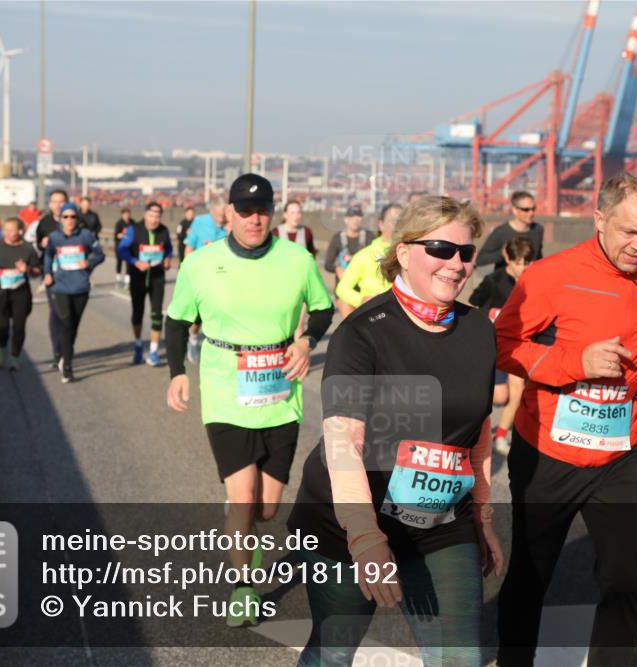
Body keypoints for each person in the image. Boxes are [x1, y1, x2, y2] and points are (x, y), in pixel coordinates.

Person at [288, 195, 503, 666]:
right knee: (332, 653)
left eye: (466, 253)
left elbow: (479, 431)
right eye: (442, 249)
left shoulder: (479, 331)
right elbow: (344, 443)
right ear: (404, 251)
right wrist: (365, 538)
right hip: (346, 526)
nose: (457, 264)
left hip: (440, 524)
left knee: (460, 659)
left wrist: (482, 517)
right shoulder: (363, 332)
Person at [493, 173, 637, 667]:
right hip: (548, 454)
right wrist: (575, 361)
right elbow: (504, 345)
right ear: (599, 220)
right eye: (629, 232)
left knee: (625, 578)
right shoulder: (551, 274)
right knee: (531, 577)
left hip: (619, 453)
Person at [164, 174, 334, 628]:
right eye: (244, 210)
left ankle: (246, 530)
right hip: (224, 389)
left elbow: (322, 308)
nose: (254, 218)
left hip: (280, 390)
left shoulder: (297, 260)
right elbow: (177, 321)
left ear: (273, 212)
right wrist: (178, 372)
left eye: (262, 210)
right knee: (242, 498)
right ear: (229, 213)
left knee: (267, 508)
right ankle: (243, 588)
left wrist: (306, 342)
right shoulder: (201, 263)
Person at [469, 236, 535, 455]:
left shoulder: (533, 284)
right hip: (491, 346)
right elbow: (472, 303)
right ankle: (474, 428)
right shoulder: (493, 280)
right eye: (518, 262)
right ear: (508, 258)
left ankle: (500, 437)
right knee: (500, 397)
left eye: (527, 263)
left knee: (518, 393)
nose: (522, 268)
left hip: (518, 347)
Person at [42, 203, 105, 383]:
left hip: (80, 286)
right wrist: (47, 273)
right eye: (65, 217)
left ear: (77, 219)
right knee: (67, 322)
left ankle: (64, 356)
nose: (69, 220)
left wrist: (89, 263)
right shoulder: (54, 237)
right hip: (60, 286)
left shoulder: (86, 235)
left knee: (73, 326)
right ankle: (67, 366)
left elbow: (100, 254)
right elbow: (48, 255)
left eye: (72, 217)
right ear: (60, 219)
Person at [118, 202, 174, 366]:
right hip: (138, 277)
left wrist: (168, 259)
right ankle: (138, 345)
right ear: (145, 215)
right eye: (151, 215)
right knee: (138, 313)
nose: (154, 220)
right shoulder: (134, 229)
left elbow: (169, 249)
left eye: (157, 216)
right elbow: (122, 250)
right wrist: (134, 261)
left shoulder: (164, 230)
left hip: (157, 277)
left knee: (157, 314)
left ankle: (154, 351)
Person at [0, 218, 41, 371]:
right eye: (5, 229)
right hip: (0, 291)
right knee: (2, 326)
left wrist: (27, 269)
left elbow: (36, 272)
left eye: (11, 230)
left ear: (20, 231)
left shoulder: (28, 249)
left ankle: (15, 357)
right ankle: (2, 353)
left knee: (19, 327)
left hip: (20, 292)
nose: (7, 233)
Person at [334, 203, 401, 317]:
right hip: (373, 317)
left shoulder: (415, 254)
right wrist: (362, 300)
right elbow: (342, 288)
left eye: (402, 221)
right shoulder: (364, 255)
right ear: (381, 224)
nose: (398, 226)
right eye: (393, 221)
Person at [182, 197, 229, 362]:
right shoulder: (200, 222)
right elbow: (189, 247)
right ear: (211, 212)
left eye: (224, 216)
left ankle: (220, 348)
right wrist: (187, 271)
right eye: (218, 217)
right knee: (199, 316)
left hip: (224, 277)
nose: (221, 220)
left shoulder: (231, 224)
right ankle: (193, 340)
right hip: (202, 276)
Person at [35, 190, 70, 368]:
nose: (58, 205)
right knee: (57, 312)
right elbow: (38, 245)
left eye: (61, 201)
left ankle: (66, 351)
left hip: (72, 275)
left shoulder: (74, 221)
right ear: (50, 204)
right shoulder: (44, 223)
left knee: (69, 315)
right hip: (52, 274)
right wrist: (42, 245)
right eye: (54, 201)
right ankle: (59, 352)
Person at [475, 190, 544, 271]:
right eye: (526, 209)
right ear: (514, 210)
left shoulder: (538, 229)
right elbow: (480, 260)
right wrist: (503, 254)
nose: (531, 213)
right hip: (506, 281)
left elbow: (538, 257)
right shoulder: (501, 232)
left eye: (533, 208)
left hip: (530, 279)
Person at [324, 204, 372, 289]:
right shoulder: (337, 238)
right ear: (346, 219)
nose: (355, 220)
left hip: (365, 288)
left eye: (358, 217)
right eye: (352, 217)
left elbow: (378, 258)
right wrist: (337, 268)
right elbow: (328, 264)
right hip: (343, 288)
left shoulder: (369, 237)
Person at [114, 207, 135, 288]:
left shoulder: (132, 223)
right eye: (125, 214)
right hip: (120, 247)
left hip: (130, 247)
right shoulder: (119, 223)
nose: (127, 216)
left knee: (129, 264)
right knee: (119, 263)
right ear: (122, 215)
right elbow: (116, 234)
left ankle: (127, 281)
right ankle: (118, 280)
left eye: (128, 214)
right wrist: (123, 235)